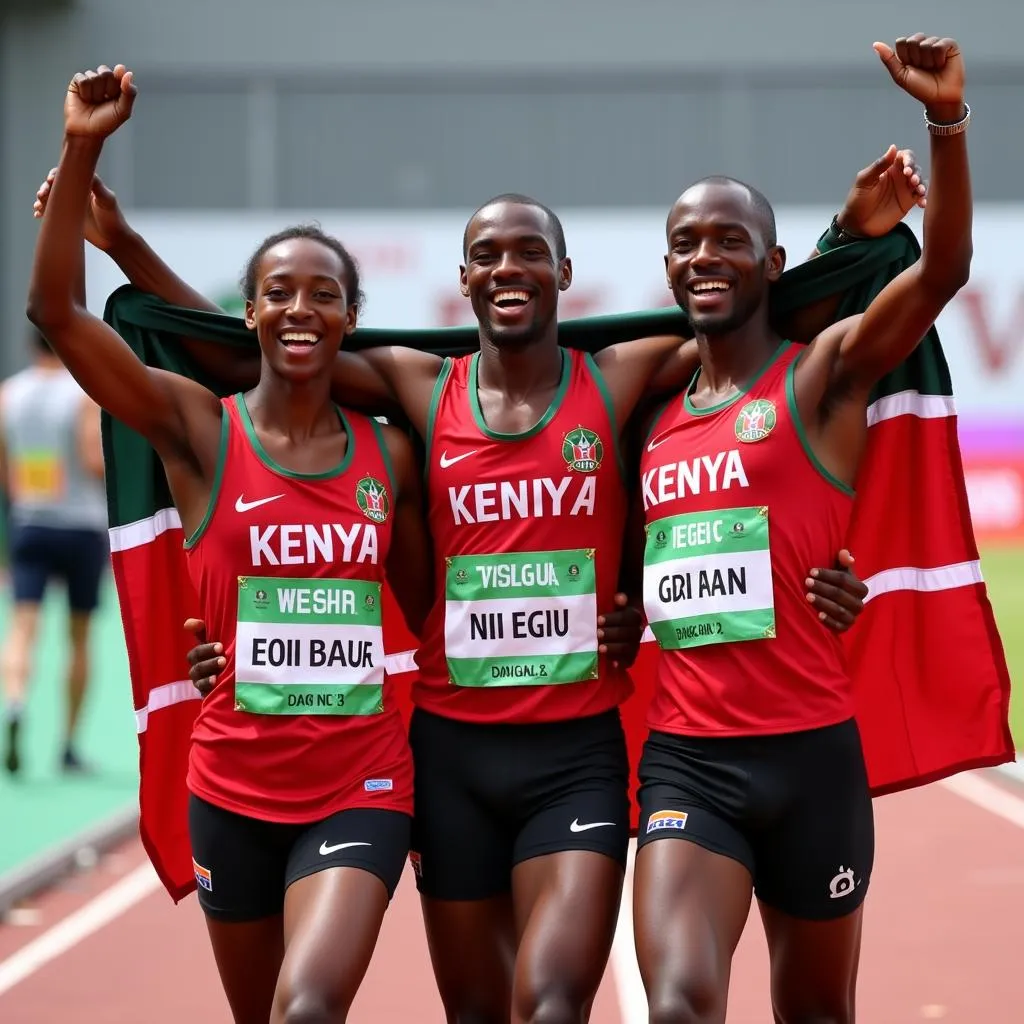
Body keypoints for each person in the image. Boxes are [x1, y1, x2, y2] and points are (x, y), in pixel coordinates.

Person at [49, 149, 923, 1024]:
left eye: (530, 252)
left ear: (564, 274)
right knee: (474, 1009)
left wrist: (844, 241)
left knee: (548, 1004)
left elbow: (746, 315)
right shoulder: (417, 388)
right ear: (462, 278)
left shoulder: (619, 374)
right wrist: (124, 246)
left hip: (578, 754)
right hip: (450, 754)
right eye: (489, 254)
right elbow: (269, 357)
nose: (510, 268)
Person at [27, 64, 434, 1024]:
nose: (301, 309)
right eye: (278, 293)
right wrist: (82, 149)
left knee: (308, 1007)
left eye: (323, 294)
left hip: (362, 780)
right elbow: (59, 317)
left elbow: (433, 607)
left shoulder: (393, 457)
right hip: (232, 788)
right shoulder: (199, 433)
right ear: (246, 315)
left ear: (349, 319)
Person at [630, 34, 972, 1023]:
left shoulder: (818, 376)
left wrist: (944, 123)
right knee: (680, 1004)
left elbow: (940, 271)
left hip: (814, 756)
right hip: (687, 760)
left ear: (772, 262)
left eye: (730, 239)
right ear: (666, 265)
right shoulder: (641, 402)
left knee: (816, 1012)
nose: (706, 255)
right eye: (688, 241)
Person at [0, 327, 108, 775]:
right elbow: (92, 461)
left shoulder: (8, 395)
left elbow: (6, 469)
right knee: (79, 638)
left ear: (30, 346)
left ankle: (16, 704)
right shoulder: (83, 395)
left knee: (24, 626)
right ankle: (68, 745)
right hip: (81, 526)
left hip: (29, 521)